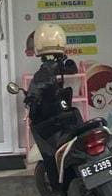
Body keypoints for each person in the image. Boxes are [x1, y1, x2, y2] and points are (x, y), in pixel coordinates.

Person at [25, 24, 82, 171]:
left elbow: (36, 89)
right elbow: (70, 69)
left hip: (54, 119)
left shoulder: (43, 72)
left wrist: (30, 98)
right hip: (66, 116)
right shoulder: (62, 65)